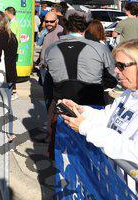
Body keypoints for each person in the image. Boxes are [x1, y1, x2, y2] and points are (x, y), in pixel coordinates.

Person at [43, 14, 117, 156]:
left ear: (66, 29)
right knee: (90, 154)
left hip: (63, 107)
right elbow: (113, 77)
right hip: (93, 105)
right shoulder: (99, 48)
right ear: (85, 30)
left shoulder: (51, 49)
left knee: (63, 155)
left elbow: (50, 77)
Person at [59, 40, 138, 165]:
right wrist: (81, 111)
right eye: (116, 65)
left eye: (121, 66)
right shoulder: (128, 93)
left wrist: (86, 127)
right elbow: (108, 117)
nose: (116, 70)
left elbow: (134, 151)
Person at [38, 11, 66, 108]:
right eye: (47, 21)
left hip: (53, 71)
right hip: (45, 69)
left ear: (57, 21)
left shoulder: (60, 33)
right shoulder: (48, 32)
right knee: (48, 98)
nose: (49, 23)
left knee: (52, 99)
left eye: (51, 21)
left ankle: (51, 117)